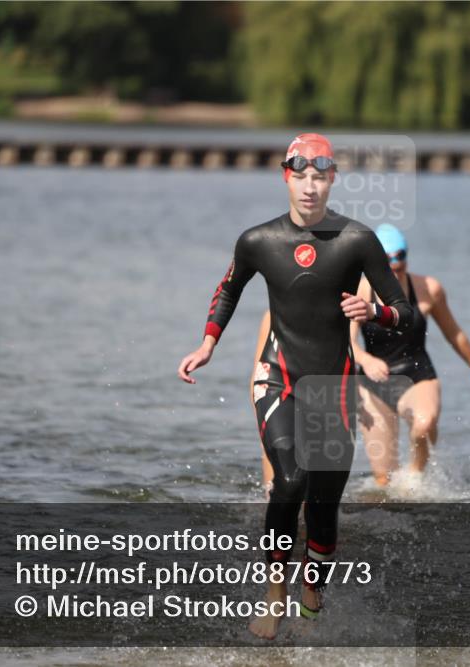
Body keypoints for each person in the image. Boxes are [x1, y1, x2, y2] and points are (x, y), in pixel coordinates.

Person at [177, 133, 418, 639]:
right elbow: (228, 288)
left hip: (332, 387)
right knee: (290, 481)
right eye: (300, 175)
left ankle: (313, 594)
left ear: (331, 179)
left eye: (319, 177)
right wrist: (208, 343)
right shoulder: (258, 241)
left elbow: (406, 313)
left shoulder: (357, 241)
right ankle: (274, 590)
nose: (310, 187)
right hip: (278, 377)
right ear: (286, 176)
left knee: (324, 505)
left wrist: (375, 310)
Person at [353, 224, 470, 487]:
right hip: (373, 384)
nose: (395, 266)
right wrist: (365, 360)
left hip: (417, 374)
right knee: (384, 481)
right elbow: (346, 341)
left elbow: (455, 334)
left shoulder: (428, 288)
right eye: (387, 261)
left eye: (400, 257)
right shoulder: (359, 291)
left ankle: (416, 482)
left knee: (424, 423)